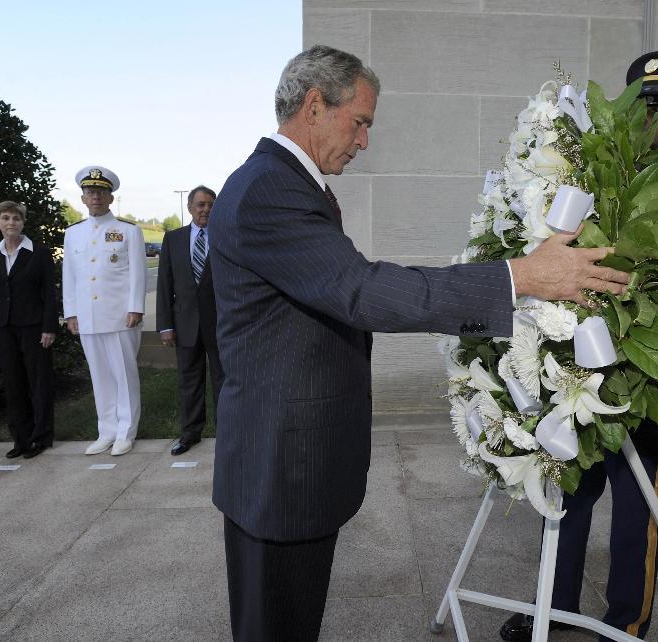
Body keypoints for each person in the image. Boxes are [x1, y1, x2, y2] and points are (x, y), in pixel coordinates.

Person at [208, 45, 632, 642]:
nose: (363, 142)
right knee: (276, 622)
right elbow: (359, 291)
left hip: (283, 457)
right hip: (280, 466)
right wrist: (521, 276)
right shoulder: (270, 190)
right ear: (313, 106)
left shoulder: (279, 183)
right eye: (360, 122)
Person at [498, 51, 658, 641]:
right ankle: (552, 607)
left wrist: (629, 293)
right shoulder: (582, 181)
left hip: (651, 374)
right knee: (567, 490)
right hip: (571, 367)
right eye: (636, 104)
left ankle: (627, 624)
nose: (642, 119)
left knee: (639, 509)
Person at [63, 166, 146, 456]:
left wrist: (136, 307)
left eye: (101, 192)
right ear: (83, 198)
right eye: (90, 192)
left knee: (124, 375)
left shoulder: (128, 230)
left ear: (111, 197)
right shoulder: (73, 234)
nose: (95, 197)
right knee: (99, 377)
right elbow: (70, 276)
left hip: (120, 315)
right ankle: (106, 430)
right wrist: (71, 313)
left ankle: (126, 431)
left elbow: (138, 272)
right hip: (88, 317)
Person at [0, 201, 57, 459]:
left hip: (34, 327)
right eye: (5, 218)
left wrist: (49, 327)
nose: (11, 222)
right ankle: (21, 439)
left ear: (23, 222)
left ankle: (40, 437)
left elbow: (49, 294)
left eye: (16, 218)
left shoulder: (39, 253)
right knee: (13, 383)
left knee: (38, 381)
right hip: (2, 327)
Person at [156, 185, 224, 456]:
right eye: (201, 205)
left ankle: (226, 432)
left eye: (210, 204)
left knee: (223, 379)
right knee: (189, 380)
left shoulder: (224, 236)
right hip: (184, 325)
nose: (206, 209)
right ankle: (190, 433)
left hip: (220, 323)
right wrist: (165, 325)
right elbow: (164, 285)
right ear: (190, 207)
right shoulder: (173, 239)